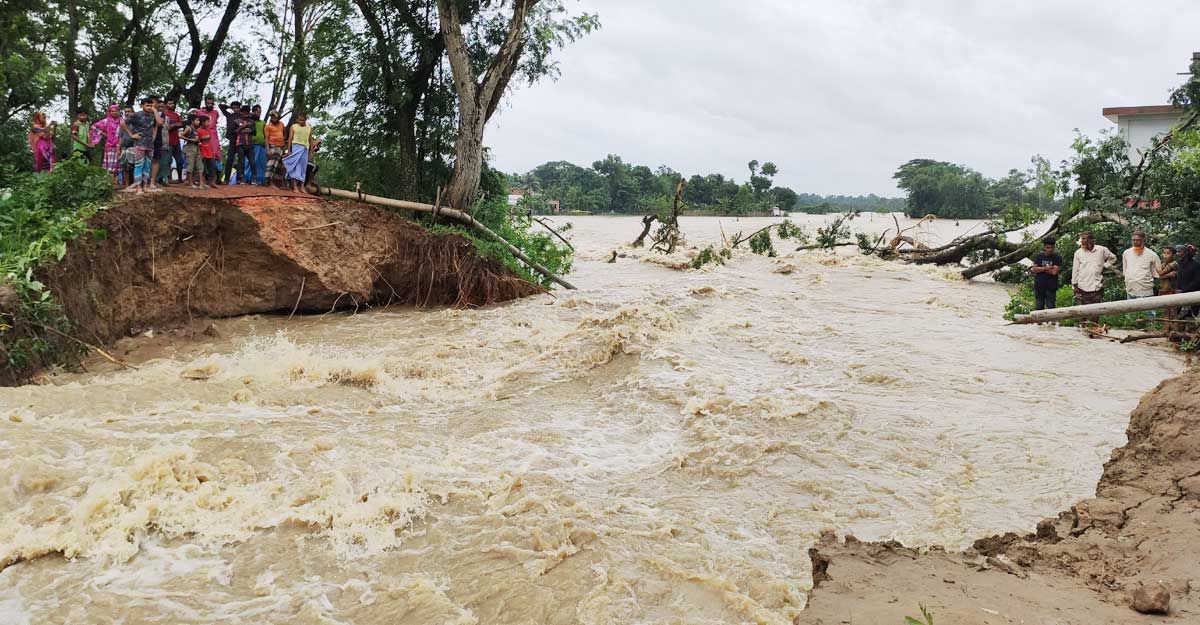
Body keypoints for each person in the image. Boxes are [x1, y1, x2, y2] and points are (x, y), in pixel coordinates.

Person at [1071, 231, 1116, 323]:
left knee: (1096, 311)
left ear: (1091, 240)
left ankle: (1094, 329)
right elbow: (1075, 270)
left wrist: (1105, 266)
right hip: (1082, 286)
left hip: (1097, 285)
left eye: (1085, 239)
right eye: (1082, 239)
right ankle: (1083, 329)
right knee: (1082, 312)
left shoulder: (1101, 250)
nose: (1082, 241)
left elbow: (1113, 258)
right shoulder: (1078, 253)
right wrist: (1074, 285)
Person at [121, 98, 162, 192]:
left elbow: (159, 123)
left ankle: (145, 186)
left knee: (147, 165)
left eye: (151, 106)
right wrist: (131, 135)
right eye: (147, 105)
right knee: (139, 165)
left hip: (149, 144)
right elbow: (122, 123)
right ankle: (138, 187)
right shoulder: (136, 115)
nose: (149, 107)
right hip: (139, 143)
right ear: (142, 106)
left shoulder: (153, 115)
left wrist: (154, 137)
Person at [1122, 230, 1161, 306]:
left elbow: (1158, 273)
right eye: (1134, 240)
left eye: (1138, 240)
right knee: (1132, 314)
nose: (1135, 242)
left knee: (1148, 315)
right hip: (1130, 290)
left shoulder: (1152, 254)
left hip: (1145, 291)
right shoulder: (1126, 253)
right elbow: (1125, 269)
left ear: (1144, 240)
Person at [283, 113, 316, 194]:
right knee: (295, 166)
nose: (301, 121)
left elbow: (310, 140)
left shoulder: (309, 128)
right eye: (299, 120)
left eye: (302, 120)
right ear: (297, 120)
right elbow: (290, 139)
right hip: (296, 147)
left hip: (305, 148)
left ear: (305, 120)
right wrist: (289, 150)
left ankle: (301, 187)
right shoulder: (294, 126)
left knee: (303, 168)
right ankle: (294, 186)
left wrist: (311, 151)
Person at [1030, 237, 1062, 311]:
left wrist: (1040, 269)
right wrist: (1048, 268)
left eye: (1052, 247)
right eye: (1048, 247)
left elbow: (1054, 272)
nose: (1050, 249)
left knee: (1051, 307)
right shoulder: (1039, 256)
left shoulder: (1057, 258)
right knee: (1038, 307)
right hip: (1039, 286)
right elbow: (1034, 269)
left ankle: (1051, 322)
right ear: (1044, 247)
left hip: (1051, 287)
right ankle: (1039, 322)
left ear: (1054, 247)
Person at [94, 105, 124, 183]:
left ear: (119, 111)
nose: (114, 112)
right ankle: (109, 182)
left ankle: (119, 182)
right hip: (110, 145)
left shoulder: (122, 121)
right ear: (109, 112)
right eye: (112, 111)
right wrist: (104, 134)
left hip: (120, 145)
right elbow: (94, 127)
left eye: (116, 111)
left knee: (120, 165)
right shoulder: (106, 121)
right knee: (110, 166)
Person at [161, 98, 184, 183]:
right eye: (170, 103)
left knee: (180, 160)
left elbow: (181, 124)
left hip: (176, 141)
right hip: (167, 141)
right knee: (167, 160)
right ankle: (167, 178)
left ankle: (180, 178)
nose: (171, 105)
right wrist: (175, 125)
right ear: (166, 105)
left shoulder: (176, 115)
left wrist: (173, 125)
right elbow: (167, 127)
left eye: (172, 104)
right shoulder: (164, 114)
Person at [219, 100, 242, 183]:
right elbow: (220, 106)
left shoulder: (242, 116)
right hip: (232, 138)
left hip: (240, 139)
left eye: (237, 108)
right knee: (229, 159)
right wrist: (229, 107)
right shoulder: (229, 115)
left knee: (240, 160)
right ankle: (226, 179)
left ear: (240, 108)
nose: (236, 109)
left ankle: (239, 179)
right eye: (234, 108)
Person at [234, 104, 257, 184]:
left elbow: (254, 133)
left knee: (252, 162)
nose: (246, 114)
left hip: (250, 144)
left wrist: (250, 128)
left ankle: (254, 179)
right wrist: (243, 126)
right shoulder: (237, 121)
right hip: (240, 143)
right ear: (241, 112)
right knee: (241, 162)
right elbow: (235, 132)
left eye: (247, 112)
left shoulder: (252, 121)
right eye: (244, 112)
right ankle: (241, 179)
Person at [181, 114, 205, 189]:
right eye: (197, 120)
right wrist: (190, 140)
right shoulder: (189, 128)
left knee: (199, 165)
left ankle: (201, 183)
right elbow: (181, 135)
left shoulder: (196, 129)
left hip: (196, 147)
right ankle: (190, 183)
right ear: (192, 121)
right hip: (190, 147)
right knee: (190, 165)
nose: (199, 122)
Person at [263, 110, 286, 187]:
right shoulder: (268, 126)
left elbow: (283, 133)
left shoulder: (281, 124)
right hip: (272, 145)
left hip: (280, 147)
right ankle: (267, 181)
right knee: (270, 164)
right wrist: (268, 149)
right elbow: (266, 138)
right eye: (272, 117)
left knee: (276, 165)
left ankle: (272, 181)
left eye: (275, 117)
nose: (273, 119)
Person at [1158, 245, 1180, 321]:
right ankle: (1166, 329)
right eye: (1164, 253)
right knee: (1166, 311)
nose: (1165, 255)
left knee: (1173, 311)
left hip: (1172, 290)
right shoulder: (1162, 264)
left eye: (1168, 253)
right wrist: (1168, 275)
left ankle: (1174, 329)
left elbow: (1160, 273)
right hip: (1164, 289)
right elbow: (1158, 276)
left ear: (1173, 255)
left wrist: (1162, 275)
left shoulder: (1174, 263)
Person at [197, 116, 217, 188]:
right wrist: (202, 138)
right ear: (202, 122)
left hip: (209, 151)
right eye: (207, 121)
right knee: (203, 168)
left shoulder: (208, 129)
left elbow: (209, 138)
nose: (209, 123)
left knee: (212, 167)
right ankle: (203, 182)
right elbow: (197, 140)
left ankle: (212, 182)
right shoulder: (198, 130)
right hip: (202, 151)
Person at [250, 105, 267, 185]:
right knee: (252, 162)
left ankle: (260, 180)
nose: (259, 114)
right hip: (252, 145)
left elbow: (265, 135)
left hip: (262, 145)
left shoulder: (263, 122)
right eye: (258, 112)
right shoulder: (249, 121)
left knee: (261, 163)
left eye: (260, 112)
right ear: (253, 112)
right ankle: (249, 178)